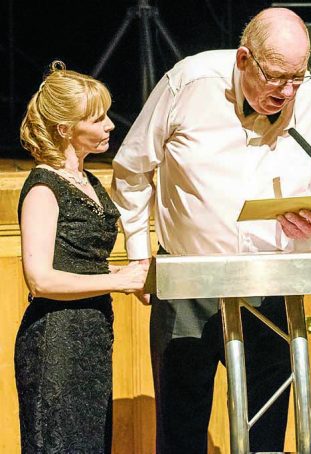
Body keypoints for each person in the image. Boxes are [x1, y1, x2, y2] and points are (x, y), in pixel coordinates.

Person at [110, 7, 311, 453]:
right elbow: (131, 169)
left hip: (273, 284)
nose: (287, 92)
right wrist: (138, 252)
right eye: (277, 77)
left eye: (297, 78)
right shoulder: (189, 83)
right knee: (181, 428)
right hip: (189, 280)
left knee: (266, 432)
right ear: (244, 58)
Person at [14, 61, 149, 453]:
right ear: (64, 129)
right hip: (55, 341)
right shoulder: (44, 186)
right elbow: (40, 279)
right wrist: (119, 280)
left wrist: (126, 274)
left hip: (91, 337)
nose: (110, 125)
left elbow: (78, 259)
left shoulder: (87, 180)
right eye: (98, 118)